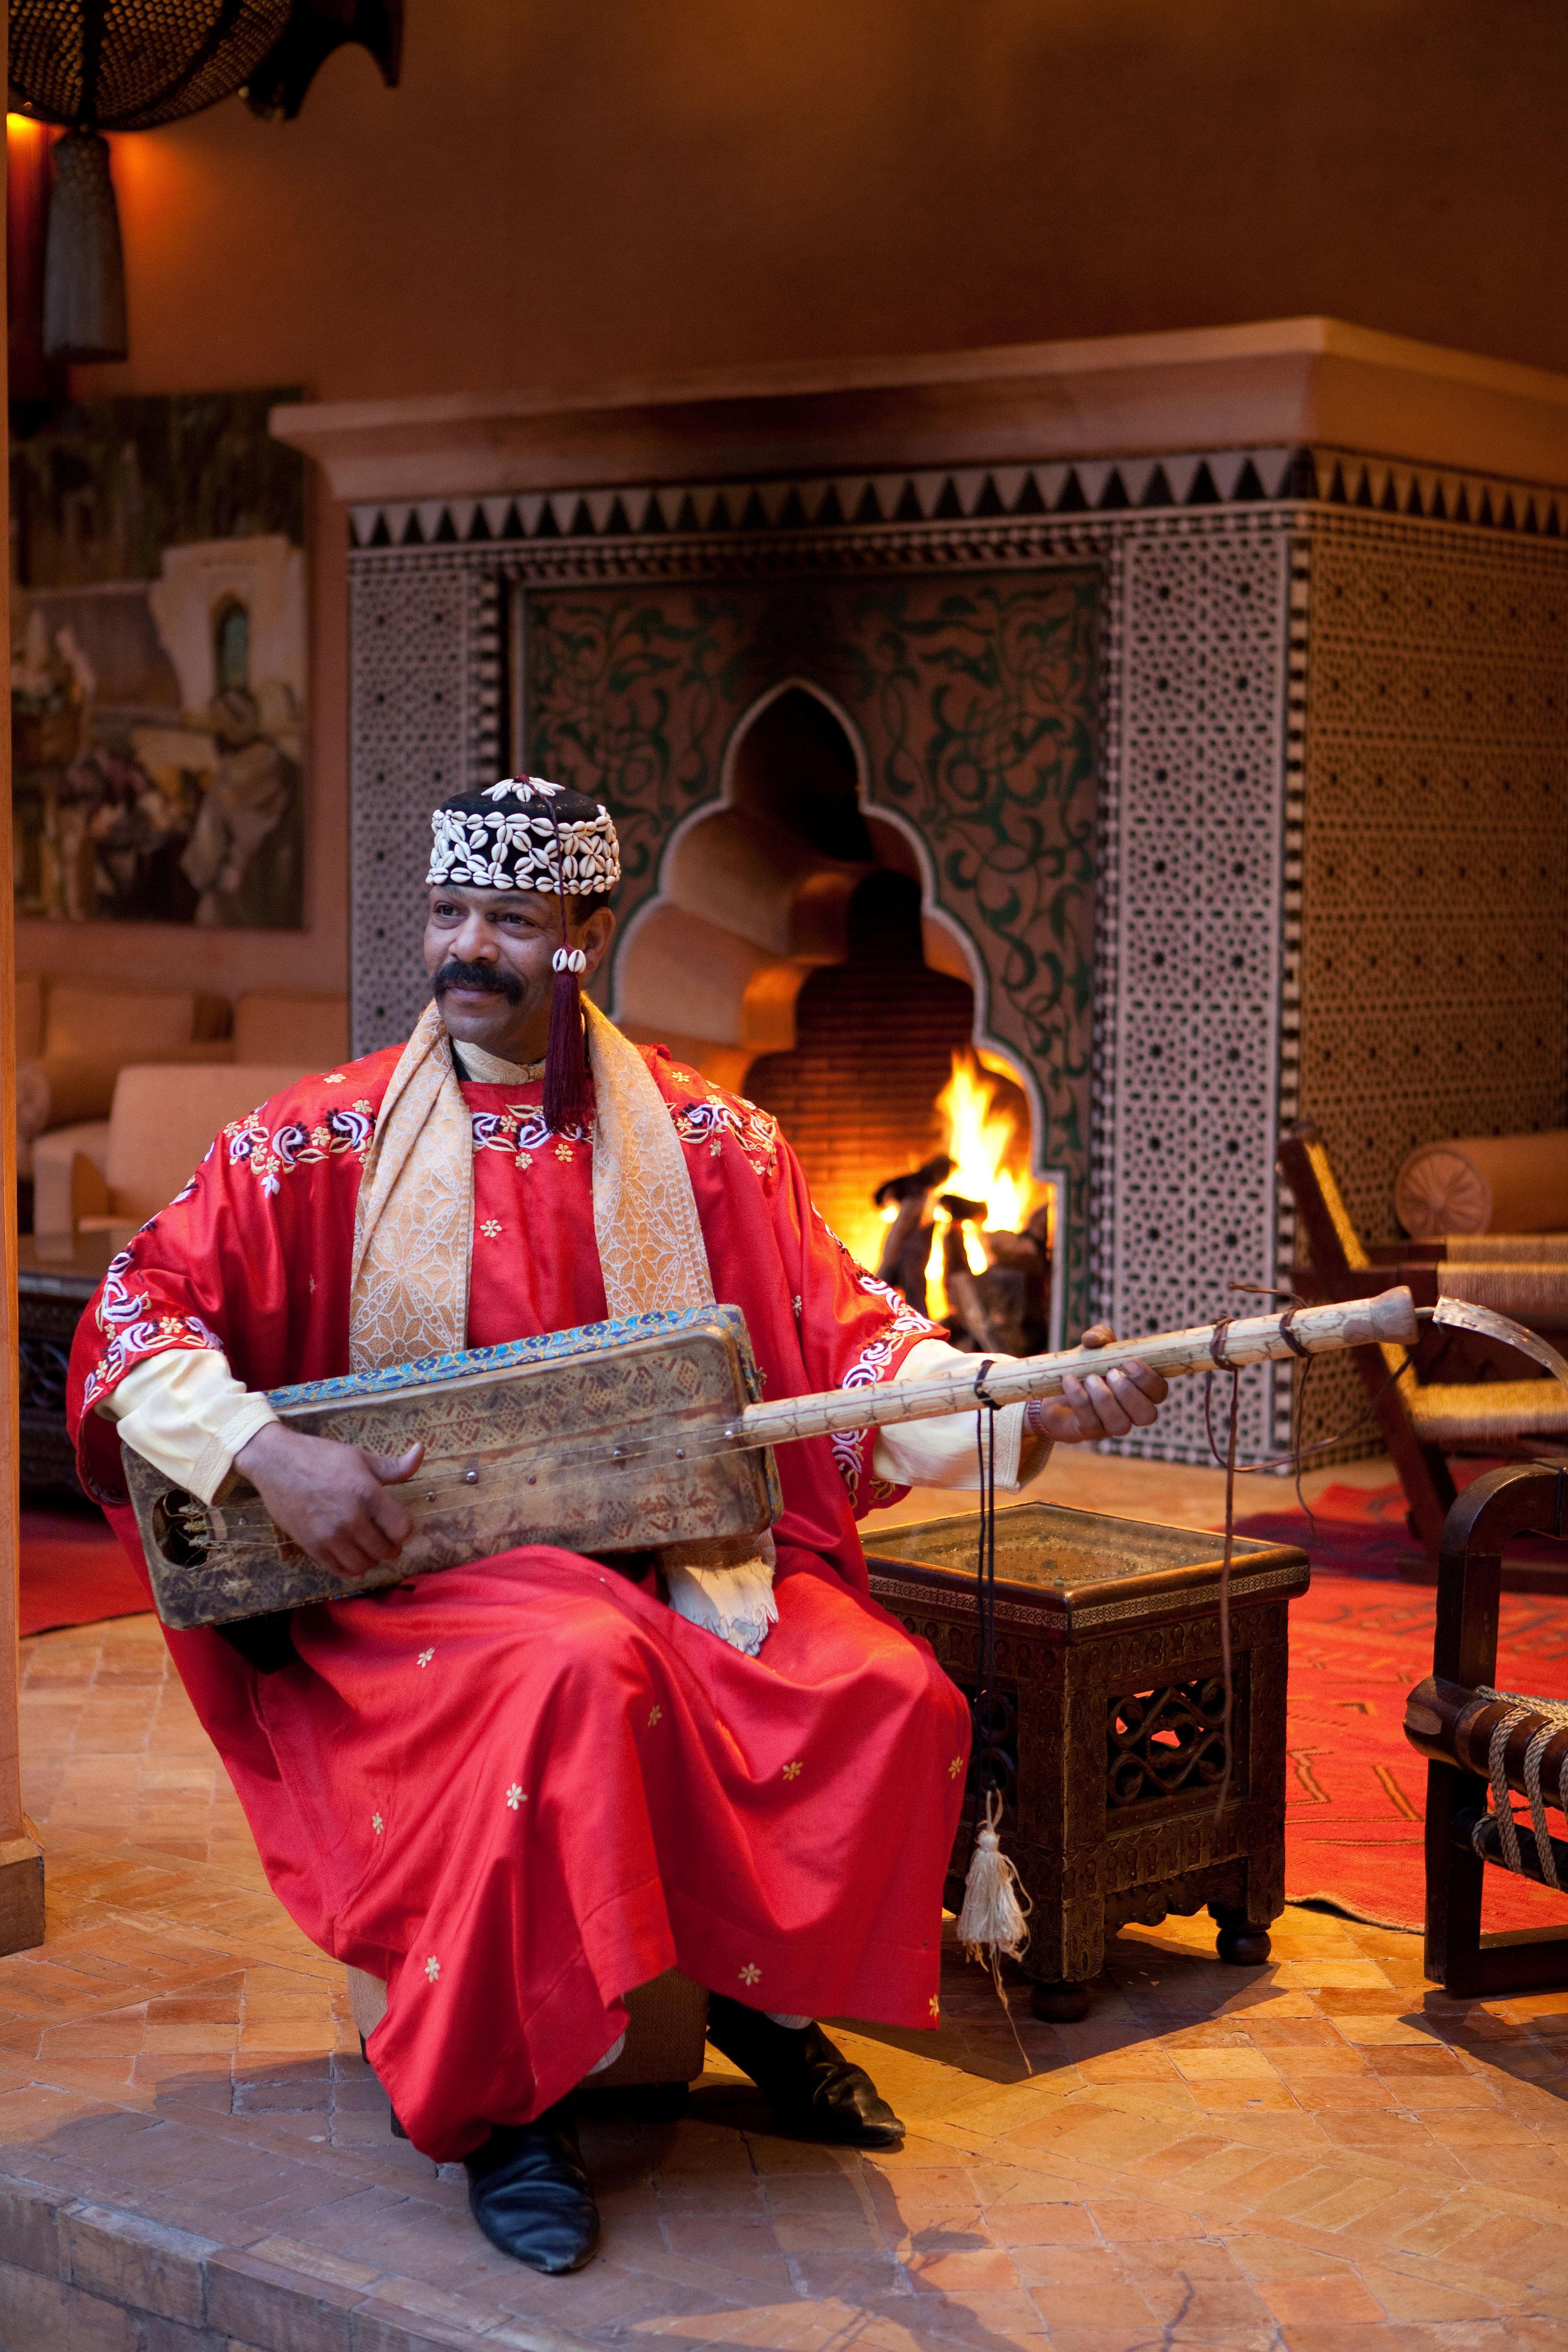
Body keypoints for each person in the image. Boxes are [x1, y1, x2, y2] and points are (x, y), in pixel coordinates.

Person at [67, 778, 1167, 2277]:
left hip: (686, 1563)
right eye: (450, 913)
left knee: (890, 1691)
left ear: (586, 935)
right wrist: (270, 1454)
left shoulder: (711, 1137)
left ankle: (754, 1996)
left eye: (512, 921)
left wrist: (1019, 1405)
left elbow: (848, 1345)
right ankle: (510, 2109)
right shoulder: (311, 1143)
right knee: (575, 1672)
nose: (470, 948)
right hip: (418, 1581)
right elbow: (135, 1315)